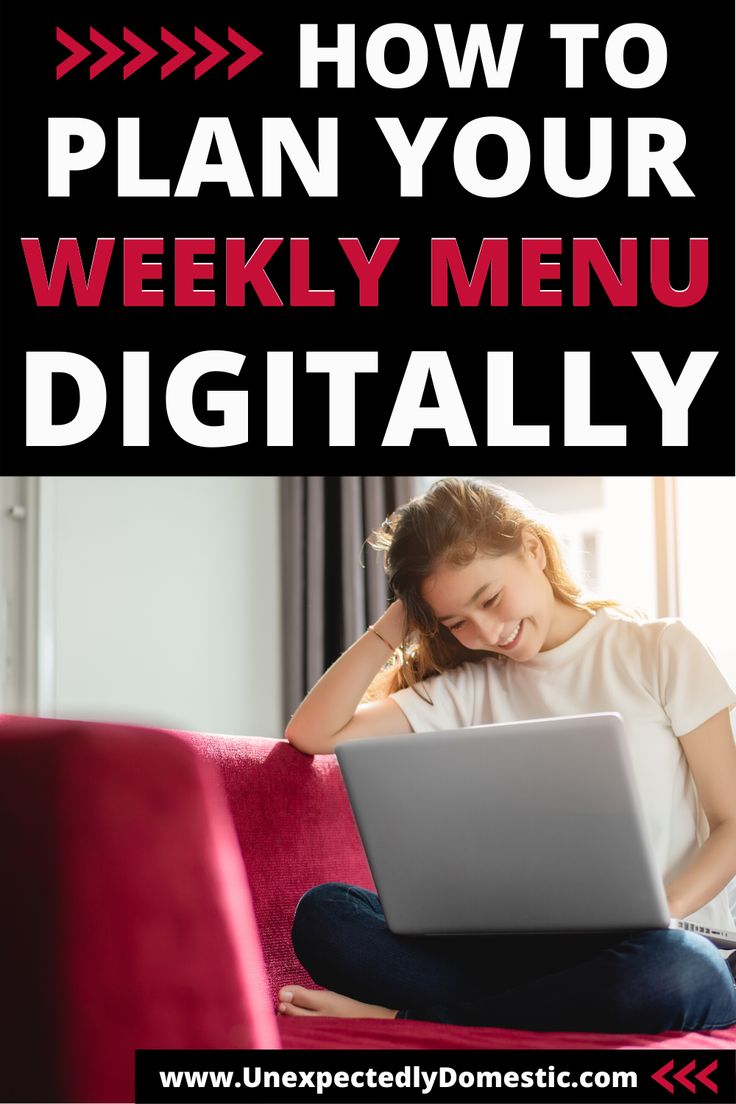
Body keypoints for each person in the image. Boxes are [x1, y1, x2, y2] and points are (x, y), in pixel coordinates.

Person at [279, 477, 736, 1032]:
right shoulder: (468, 688)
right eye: (456, 622)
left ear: (533, 549)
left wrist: (665, 908)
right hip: (516, 951)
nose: (489, 631)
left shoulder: (660, 649)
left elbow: (731, 821)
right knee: (326, 916)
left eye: (490, 599)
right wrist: (400, 617)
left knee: (679, 975)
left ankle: (417, 1016)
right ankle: (525, 1008)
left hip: (660, 941)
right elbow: (312, 733)